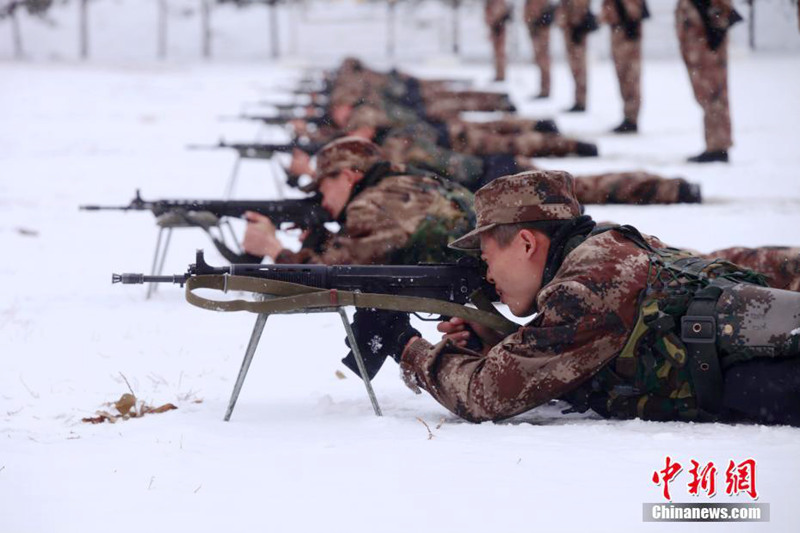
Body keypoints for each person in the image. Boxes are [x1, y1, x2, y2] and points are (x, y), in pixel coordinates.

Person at [349, 171, 800, 426]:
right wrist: (499, 342)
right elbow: (578, 354)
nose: (486, 274)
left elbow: (483, 395)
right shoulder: (610, 247)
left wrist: (406, 346)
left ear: (527, 243)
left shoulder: (586, 288)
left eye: (487, 257)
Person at [242, 137, 473, 266]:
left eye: (323, 187)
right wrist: (326, 241)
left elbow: (326, 282)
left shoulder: (371, 205)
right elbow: (374, 250)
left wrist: (273, 248)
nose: (321, 198)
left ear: (347, 177)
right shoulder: (404, 182)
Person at [675, 0, 742, 163]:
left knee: (713, 92)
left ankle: (718, 146)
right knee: (707, 93)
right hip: (699, 35)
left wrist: (716, 26)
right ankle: (715, 144)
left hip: (705, 36)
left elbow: (721, 7)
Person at [600, 0, 649, 133]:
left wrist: (631, 22)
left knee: (630, 74)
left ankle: (631, 118)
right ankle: (628, 116)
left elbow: (634, 9)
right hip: (619, 27)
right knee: (623, 74)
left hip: (626, 29)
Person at [558, 0, 599, 112]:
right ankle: (579, 100)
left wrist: (577, 24)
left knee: (579, 66)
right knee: (575, 67)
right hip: (571, 27)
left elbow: (580, 6)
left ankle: (580, 101)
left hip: (575, 29)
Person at [524, 0, 556, 99]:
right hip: (535, 23)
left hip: (540, 23)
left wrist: (539, 18)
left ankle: (545, 89)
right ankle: (543, 88)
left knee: (543, 57)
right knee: (540, 57)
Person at [485, 0, 512, 82]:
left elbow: (500, 12)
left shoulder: (498, 3)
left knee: (500, 52)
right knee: (497, 53)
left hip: (498, 27)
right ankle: (499, 74)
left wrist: (495, 22)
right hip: (496, 27)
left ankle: (500, 74)